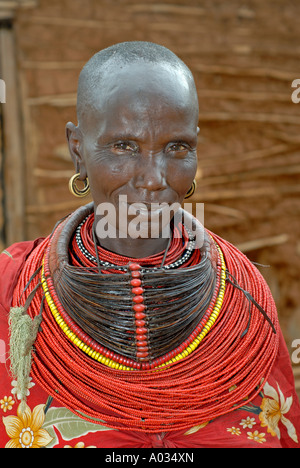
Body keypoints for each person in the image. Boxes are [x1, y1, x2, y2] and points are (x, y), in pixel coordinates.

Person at [0, 41, 299, 449]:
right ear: (77, 149)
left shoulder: (243, 301)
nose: (153, 177)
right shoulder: (12, 294)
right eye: (124, 146)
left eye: (177, 148)